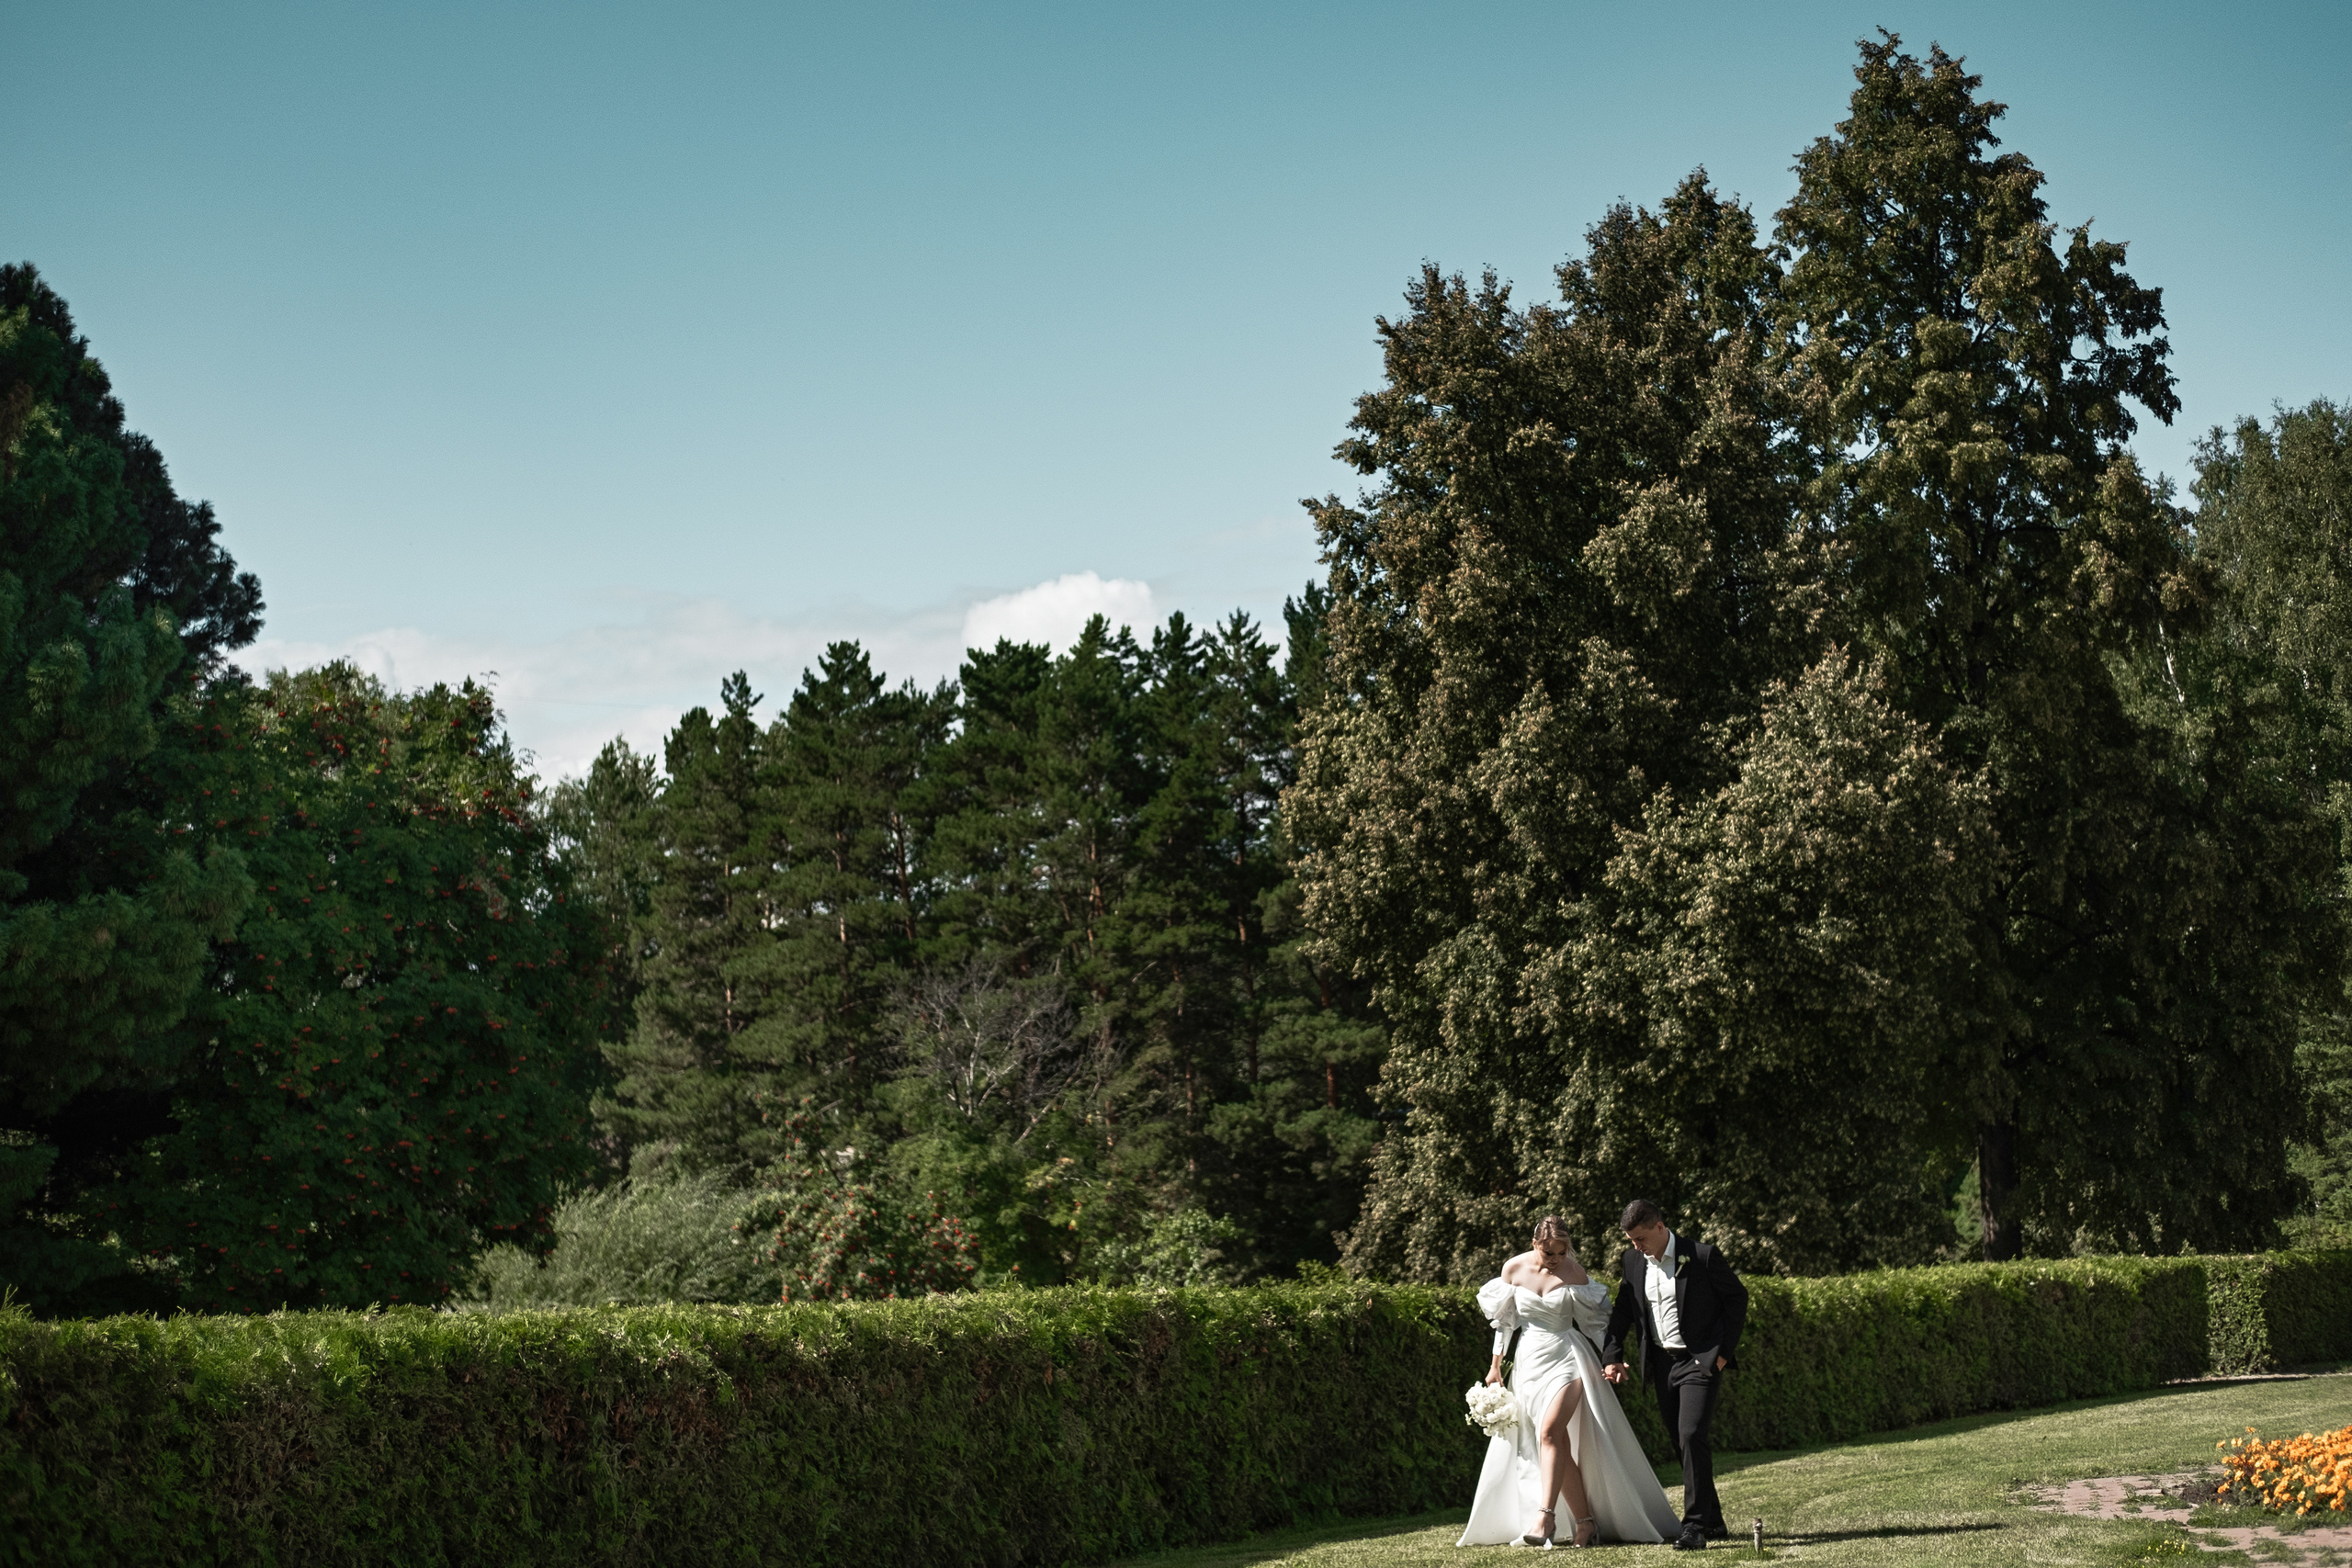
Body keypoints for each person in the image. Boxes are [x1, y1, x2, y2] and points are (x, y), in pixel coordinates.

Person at [1459, 1217, 1682, 1549]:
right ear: (1535, 1244)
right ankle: (1585, 1523)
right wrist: (1495, 1367)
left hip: (1568, 1358)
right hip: (1529, 1361)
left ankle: (1545, 1516)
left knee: (1548, 1432)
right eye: (1549, 1252)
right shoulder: (1513, 1269)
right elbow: (1504, 1324)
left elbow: (1594, 1323)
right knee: (1555, 1442)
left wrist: (1611, 1357)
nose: (1555, 1259)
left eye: (1562, 1253)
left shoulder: (1575, 1274)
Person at [1600, 1199, 1748, 1551]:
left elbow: (1737, 1299)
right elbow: (1625, 1309)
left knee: (1691, 1433)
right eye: (1630, 1240)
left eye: (1640, 1238)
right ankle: (1713, 1519)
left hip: (1698, 1361)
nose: (1636, 1246)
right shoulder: (1633, 1261)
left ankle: (1694, 1527)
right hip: (1661, 1363)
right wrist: (1612, 1353)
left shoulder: (1701, 1256)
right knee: (1683, 1443)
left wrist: (1722, 1354)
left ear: (1659, 1227)